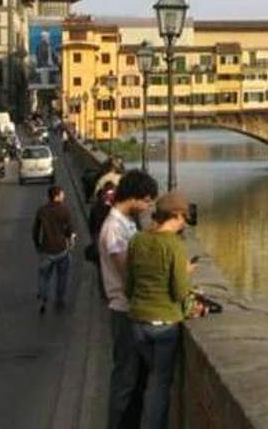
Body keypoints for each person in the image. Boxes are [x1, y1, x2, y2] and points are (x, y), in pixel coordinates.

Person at [125, 191, 197, 429]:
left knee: (150, 378)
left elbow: (128, 287)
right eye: (183, 218)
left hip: (137, 323)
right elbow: (179, 293)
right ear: (175, 215)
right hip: (163, 325)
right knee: (159, 384)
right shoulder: (174, 245)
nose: (184, 223)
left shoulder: (137, 240)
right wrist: (186, 274)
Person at [98, 170, 158, 429]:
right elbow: (127, 271)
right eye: (147, 201)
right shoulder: (114, 228)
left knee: (137, 380)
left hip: (133, 310)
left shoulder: (127, 222)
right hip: (124, 310)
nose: (148, 207)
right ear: (134, 197)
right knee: (125, 379)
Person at [32, 186, 75, 314]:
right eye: (62, 194)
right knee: (62, 276)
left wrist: (37, 245)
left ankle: (43, 297)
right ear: (57, 196)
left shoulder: (42, 210)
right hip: (61, 249)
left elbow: (35, 230)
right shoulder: (65, 210)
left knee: (44, 275)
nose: (64, 196)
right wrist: (70, 240)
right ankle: (60, 299)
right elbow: (70, 230)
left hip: (46, 249)